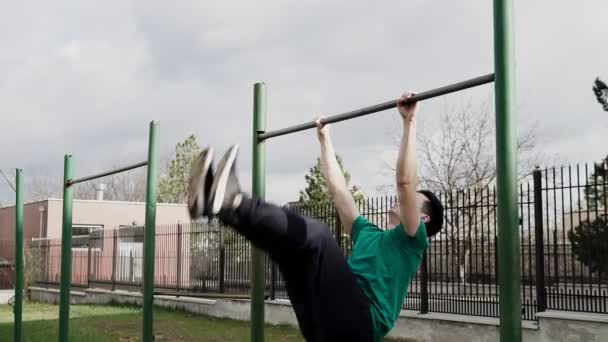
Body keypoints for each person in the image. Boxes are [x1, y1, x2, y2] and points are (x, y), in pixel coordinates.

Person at [187, 92, 444, 342]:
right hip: (323, 321)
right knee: (289, 247)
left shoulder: (412, 242)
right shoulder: (368, 232)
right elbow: (339, 190)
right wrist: (325, 140)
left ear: (423, 220)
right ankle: (221, 208)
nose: (405, 200)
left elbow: (405, 182)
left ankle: (233, 201)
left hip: (360, 324)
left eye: (413, 201)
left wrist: (409, 122)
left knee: (318, 237)